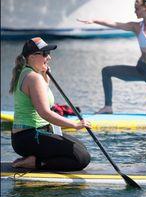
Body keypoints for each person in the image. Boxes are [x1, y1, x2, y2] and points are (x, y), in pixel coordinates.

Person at [9, 37, 91, 171]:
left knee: (82, 149)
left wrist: (44, 75)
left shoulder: (30, 73)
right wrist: (74, 124)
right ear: (31, 57)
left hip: (34, 133)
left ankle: (36, 158)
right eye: (44, 54)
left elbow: (42, 95)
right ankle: (35, 163)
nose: (49, 58)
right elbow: (45, 113)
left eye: (49, 54)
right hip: (28, 136)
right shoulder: (33, 77)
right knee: (81, 158)